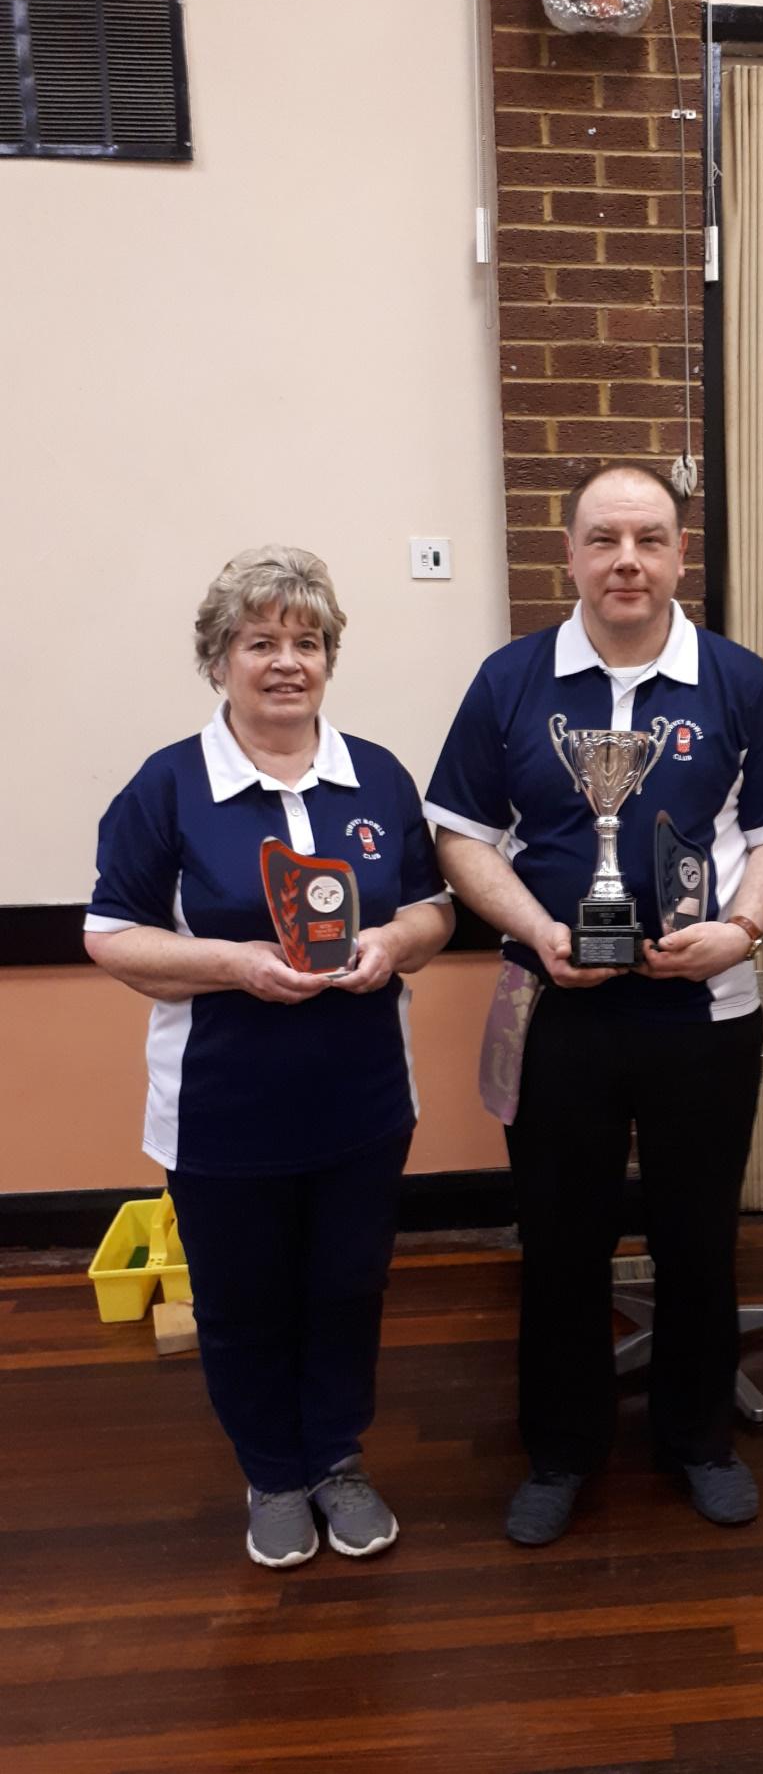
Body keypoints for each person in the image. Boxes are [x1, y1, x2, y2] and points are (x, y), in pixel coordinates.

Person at [426, 462, 763, 1546]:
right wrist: (541, 931)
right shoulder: (511, 680)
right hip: (557, 1007)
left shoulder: (736, 680)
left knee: (700, 1233)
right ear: (570, 554)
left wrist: (738, 931)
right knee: (560, 1239)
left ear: (681, 553)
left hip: (705, 1012)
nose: (627, 560)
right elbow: (459, 830)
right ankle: (561, 1450)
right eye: (604, 539)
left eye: (649, 538)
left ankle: (698, 1439)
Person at [85, 547, 454, 1569]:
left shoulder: (377, 774)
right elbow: (110, 934)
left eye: (306, 642)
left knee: (347, 1286)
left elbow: (433, 906)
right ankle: (273, 1473)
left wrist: (396, 944)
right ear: (220, 661)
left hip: (364, 1099)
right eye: (261, 642)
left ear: (329, 657)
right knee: (244, 1299)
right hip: (222, 1110)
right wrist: (230, 963)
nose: (286, 662)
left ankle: (336, 1455)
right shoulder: (168, 786)